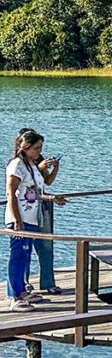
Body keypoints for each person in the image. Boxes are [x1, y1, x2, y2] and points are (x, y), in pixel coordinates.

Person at [5, 130, 67, 312]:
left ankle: (22, 292)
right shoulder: (16, 165)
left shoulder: (31, 165)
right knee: (17, 257)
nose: (39, 152)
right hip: (20, 219)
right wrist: (17, 220)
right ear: (24, 147)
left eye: (40, 147)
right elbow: (11, 193)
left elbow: (39, 189)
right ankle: (14, 296)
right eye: (36, 148)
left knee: (25, 256)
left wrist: (52, 196)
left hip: (32, 218)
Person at [15, 127, 62, 295]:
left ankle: (48, 282)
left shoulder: (38, 159)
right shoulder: (19, 163)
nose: (38, 150)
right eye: (36, 147)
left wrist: (54, 168)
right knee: (25, 249)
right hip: (27, 210)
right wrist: (39, 167)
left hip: (42, 208)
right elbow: (24, 189)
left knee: (46, 247)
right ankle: (25, 285)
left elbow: (46, 182)